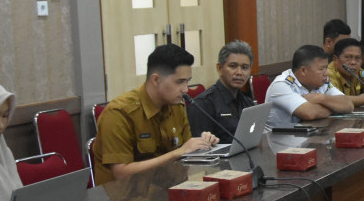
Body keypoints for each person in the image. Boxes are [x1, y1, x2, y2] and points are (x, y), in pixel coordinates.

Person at [92, 44, 218, 185]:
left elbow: (185, 153)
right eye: (180, 82)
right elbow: (122, 173)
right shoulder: (119, 114)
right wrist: (177, 153)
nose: (186, 89)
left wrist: (201, 144)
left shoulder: (176, 106)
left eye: (187, 81)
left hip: (166, 192)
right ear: (156, 80)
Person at [266, 45, 354, 126]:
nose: (327, 73)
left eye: (326, 67)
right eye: (321, 69)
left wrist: (321, 98)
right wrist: (336, 108)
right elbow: (310, 113)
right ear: (303, 70)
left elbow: (348, 104)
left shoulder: (321, 82)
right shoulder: (281, 85)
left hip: (307, 137)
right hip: (279, 140)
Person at [187, 40, 256, 141]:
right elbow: (199, 150)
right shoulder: (202, 105)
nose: (239, 72)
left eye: (245, 67)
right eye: (233, 66)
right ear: (219, 68)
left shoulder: (248, 102)